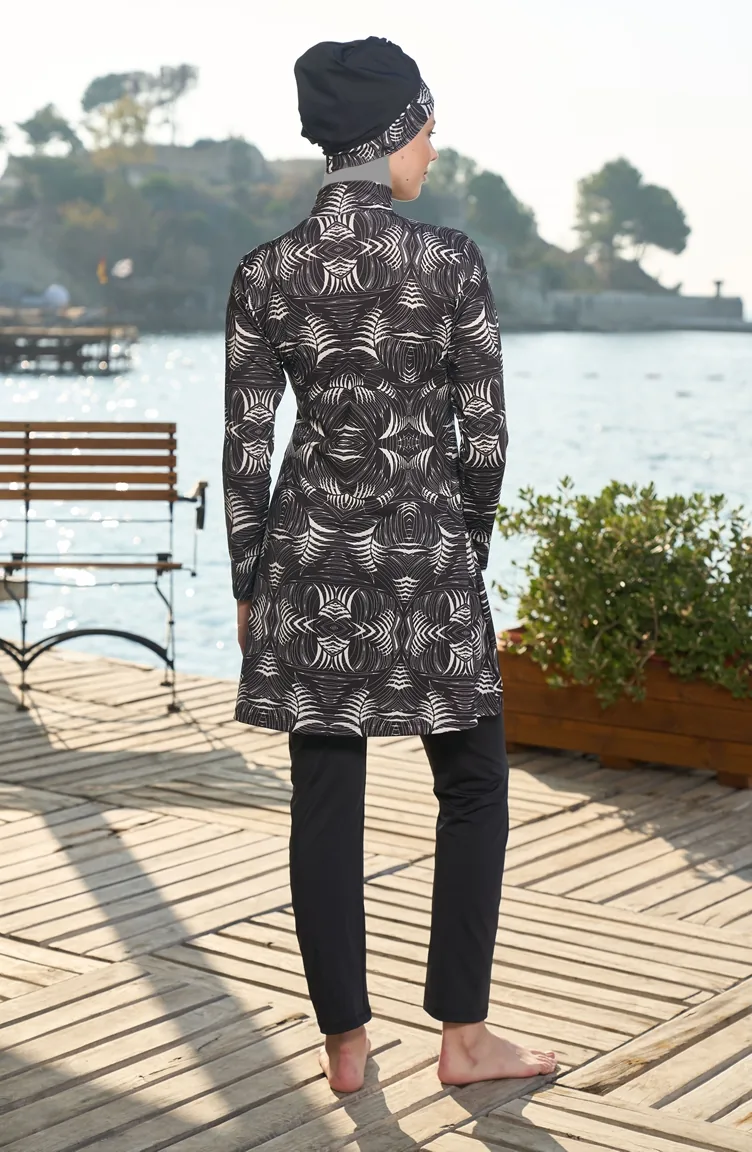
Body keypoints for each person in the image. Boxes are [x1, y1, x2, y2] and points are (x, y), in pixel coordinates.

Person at [222, 35, 557, 1094]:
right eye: (427, 129)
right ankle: (464, 1038)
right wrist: (464, 553)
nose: (433, 149)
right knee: (474, 784)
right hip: (428, 559)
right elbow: (485, 437)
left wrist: (246, 583)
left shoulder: (265, 272)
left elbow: (244, 449)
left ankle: (345, 1046)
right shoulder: (448, 261)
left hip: (304, 566)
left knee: (324, 797)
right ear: (395, 132)